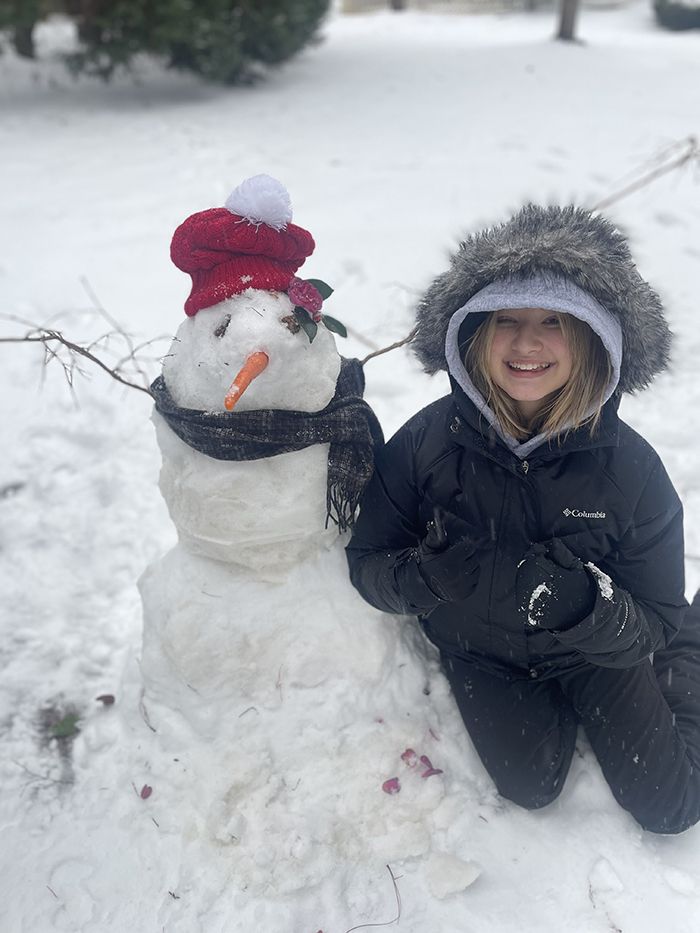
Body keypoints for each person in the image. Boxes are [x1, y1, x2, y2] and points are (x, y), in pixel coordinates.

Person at [346, 204, 700, 834]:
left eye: (554, 322)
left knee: (670, 808)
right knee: (531, 788)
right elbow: (368, 561)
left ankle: (688, 660)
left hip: (597, 654)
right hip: (483, 656)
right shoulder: (427, 444)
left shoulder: (632, 471)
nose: (526, 344)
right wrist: (422, 580)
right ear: (472, 333)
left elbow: (654, 619)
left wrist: (586, 608)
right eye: (506, 320)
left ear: (594, 338)